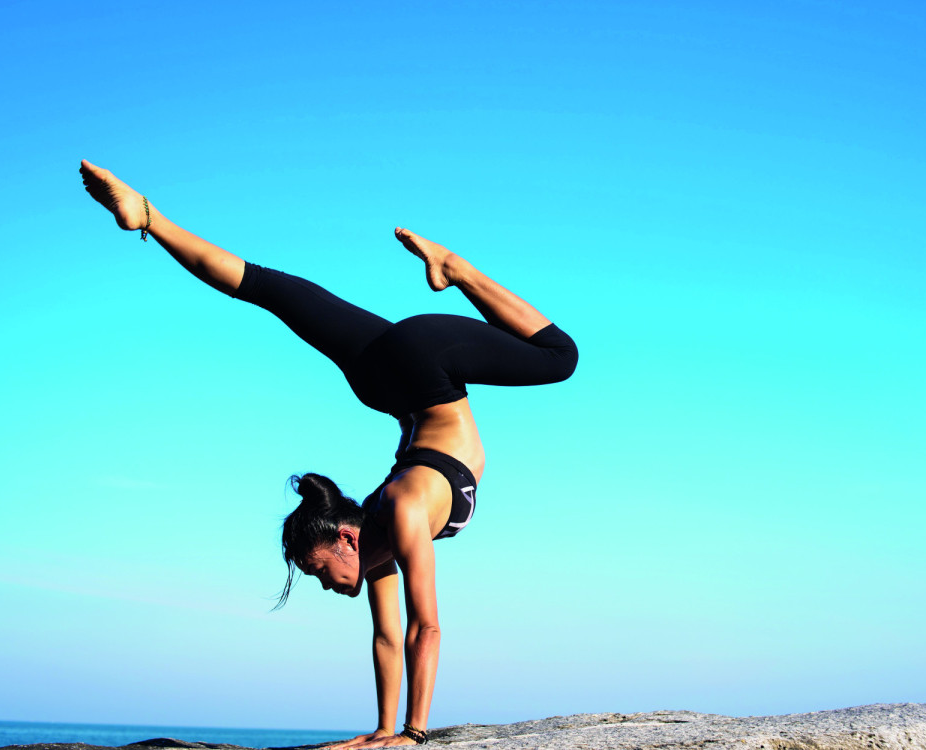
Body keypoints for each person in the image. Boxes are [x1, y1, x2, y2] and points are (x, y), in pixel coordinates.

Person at [79, 160, 578, 748]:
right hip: (385, 381)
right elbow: (388, 638)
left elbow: (427, 627)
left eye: (318, 570)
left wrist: (414, 736)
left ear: (346, 537)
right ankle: (150, 219)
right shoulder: (378, 538)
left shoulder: (400, 513)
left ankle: (456, 268)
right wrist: (380, 733)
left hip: (426, 367)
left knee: (558, 357)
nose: (325, 586)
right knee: (266, 288)